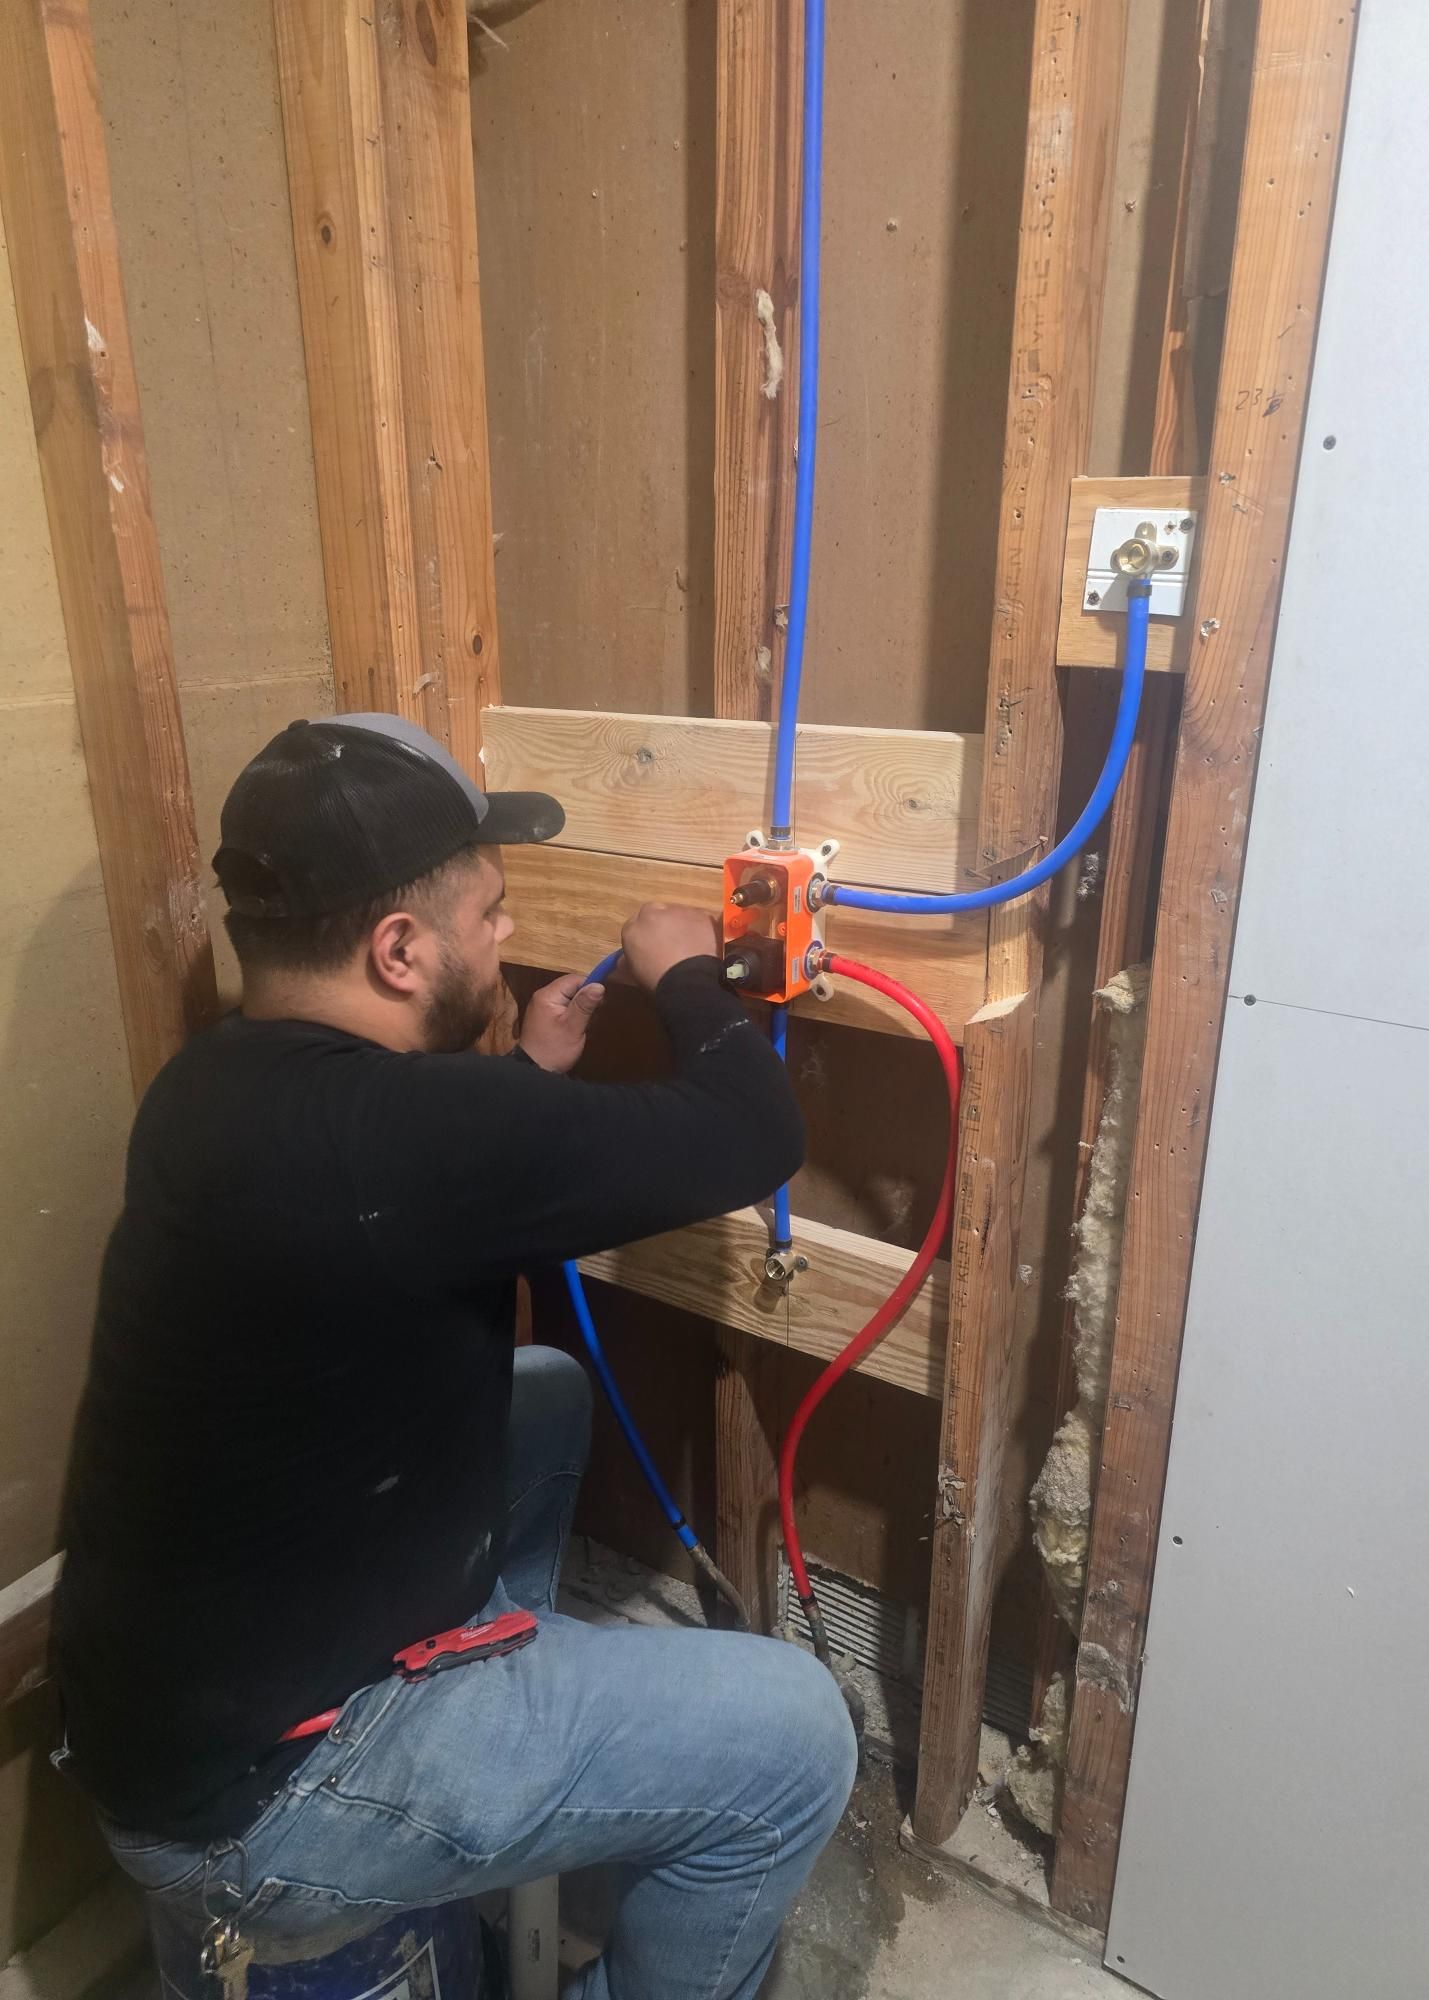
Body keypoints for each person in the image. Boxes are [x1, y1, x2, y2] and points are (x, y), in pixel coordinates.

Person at [52, 713, 857, 1999]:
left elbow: (410, 1180)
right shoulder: (421, 1139)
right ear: (398, 946)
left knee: (544, 1393)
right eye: (487, 911)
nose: (504, 933)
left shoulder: (209, 1091)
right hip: (271, 1805)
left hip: (162, 1719)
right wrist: (687, 971)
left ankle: (495, 1680)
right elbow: (749, 1128)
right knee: (796, 1741)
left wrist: (530, 1071)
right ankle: (461, 1765)